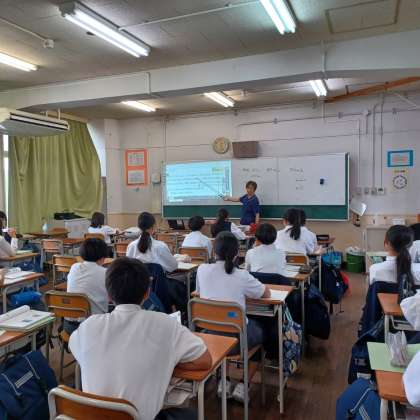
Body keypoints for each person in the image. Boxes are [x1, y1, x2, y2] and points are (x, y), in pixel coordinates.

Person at [69, 257, 211, 420]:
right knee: (192, 415)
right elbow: (204, 360)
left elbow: (77, 350)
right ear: (147, 293)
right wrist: (165, 360)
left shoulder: (88, 327)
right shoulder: (165, 324)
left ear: (108, 295)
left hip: (93, 416)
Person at [196, 231, 270, 402]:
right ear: (237, 253)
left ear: (214, 251)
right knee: (261, 332)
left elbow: (198, 293)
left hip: (209, 337)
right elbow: (265, 293)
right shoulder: (241, 275)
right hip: (237, 341)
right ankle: (243, 385)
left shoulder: (202, 269)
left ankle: (224, 381)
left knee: (224, 327)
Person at [65, 238, 109, 335]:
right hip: (93, 327)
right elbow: (112, 297)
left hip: (69, 326)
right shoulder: (105, 273)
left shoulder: (74, 267)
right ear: (103, 256)